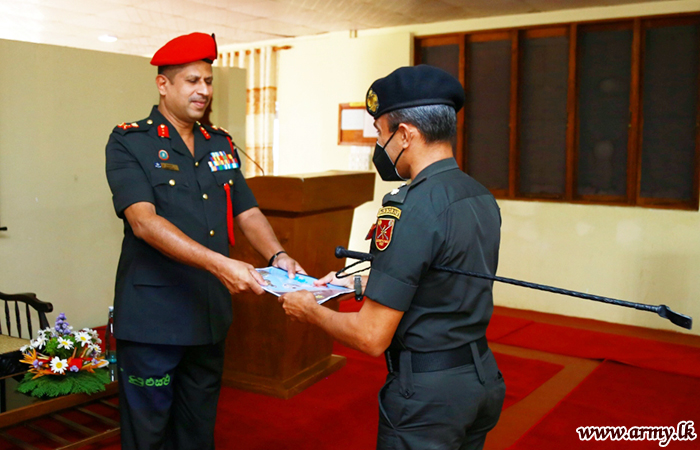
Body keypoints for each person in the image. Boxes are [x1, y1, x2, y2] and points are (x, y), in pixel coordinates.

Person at [279, 65, 505, 450]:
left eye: (380, 134)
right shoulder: (478, 194)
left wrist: (309, 310)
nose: (379, 146)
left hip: (428, 398)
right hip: (481, 378)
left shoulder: (409, 208)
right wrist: (356, 282)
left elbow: (371, 337)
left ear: (405, 135)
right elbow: (440, 278)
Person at [105, 32, 304, 450]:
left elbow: (246, 212)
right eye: (192, 80)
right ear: (164, 84)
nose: (204, 91)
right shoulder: (130, 142)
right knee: (149, 434)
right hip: (153, 319)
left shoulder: (220, 144)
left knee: (197, 432)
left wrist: (278, 254)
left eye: (208, 81)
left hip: (208, 314)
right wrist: (220, 264)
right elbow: (144, 222)